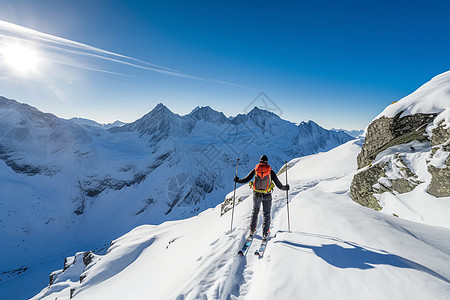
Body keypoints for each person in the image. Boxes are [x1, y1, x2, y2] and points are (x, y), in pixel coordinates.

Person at [234, 155, 289, 239]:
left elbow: (246, 179)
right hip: (267, 195)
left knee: (255, 211)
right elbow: (279, 186)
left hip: (256, 195)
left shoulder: (256, 170)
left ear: (260, 161)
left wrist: (237, 180)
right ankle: (265, 233)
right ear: (267, 162)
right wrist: (286, 188)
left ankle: (252, 230)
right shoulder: (271, 172)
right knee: (266, 214)